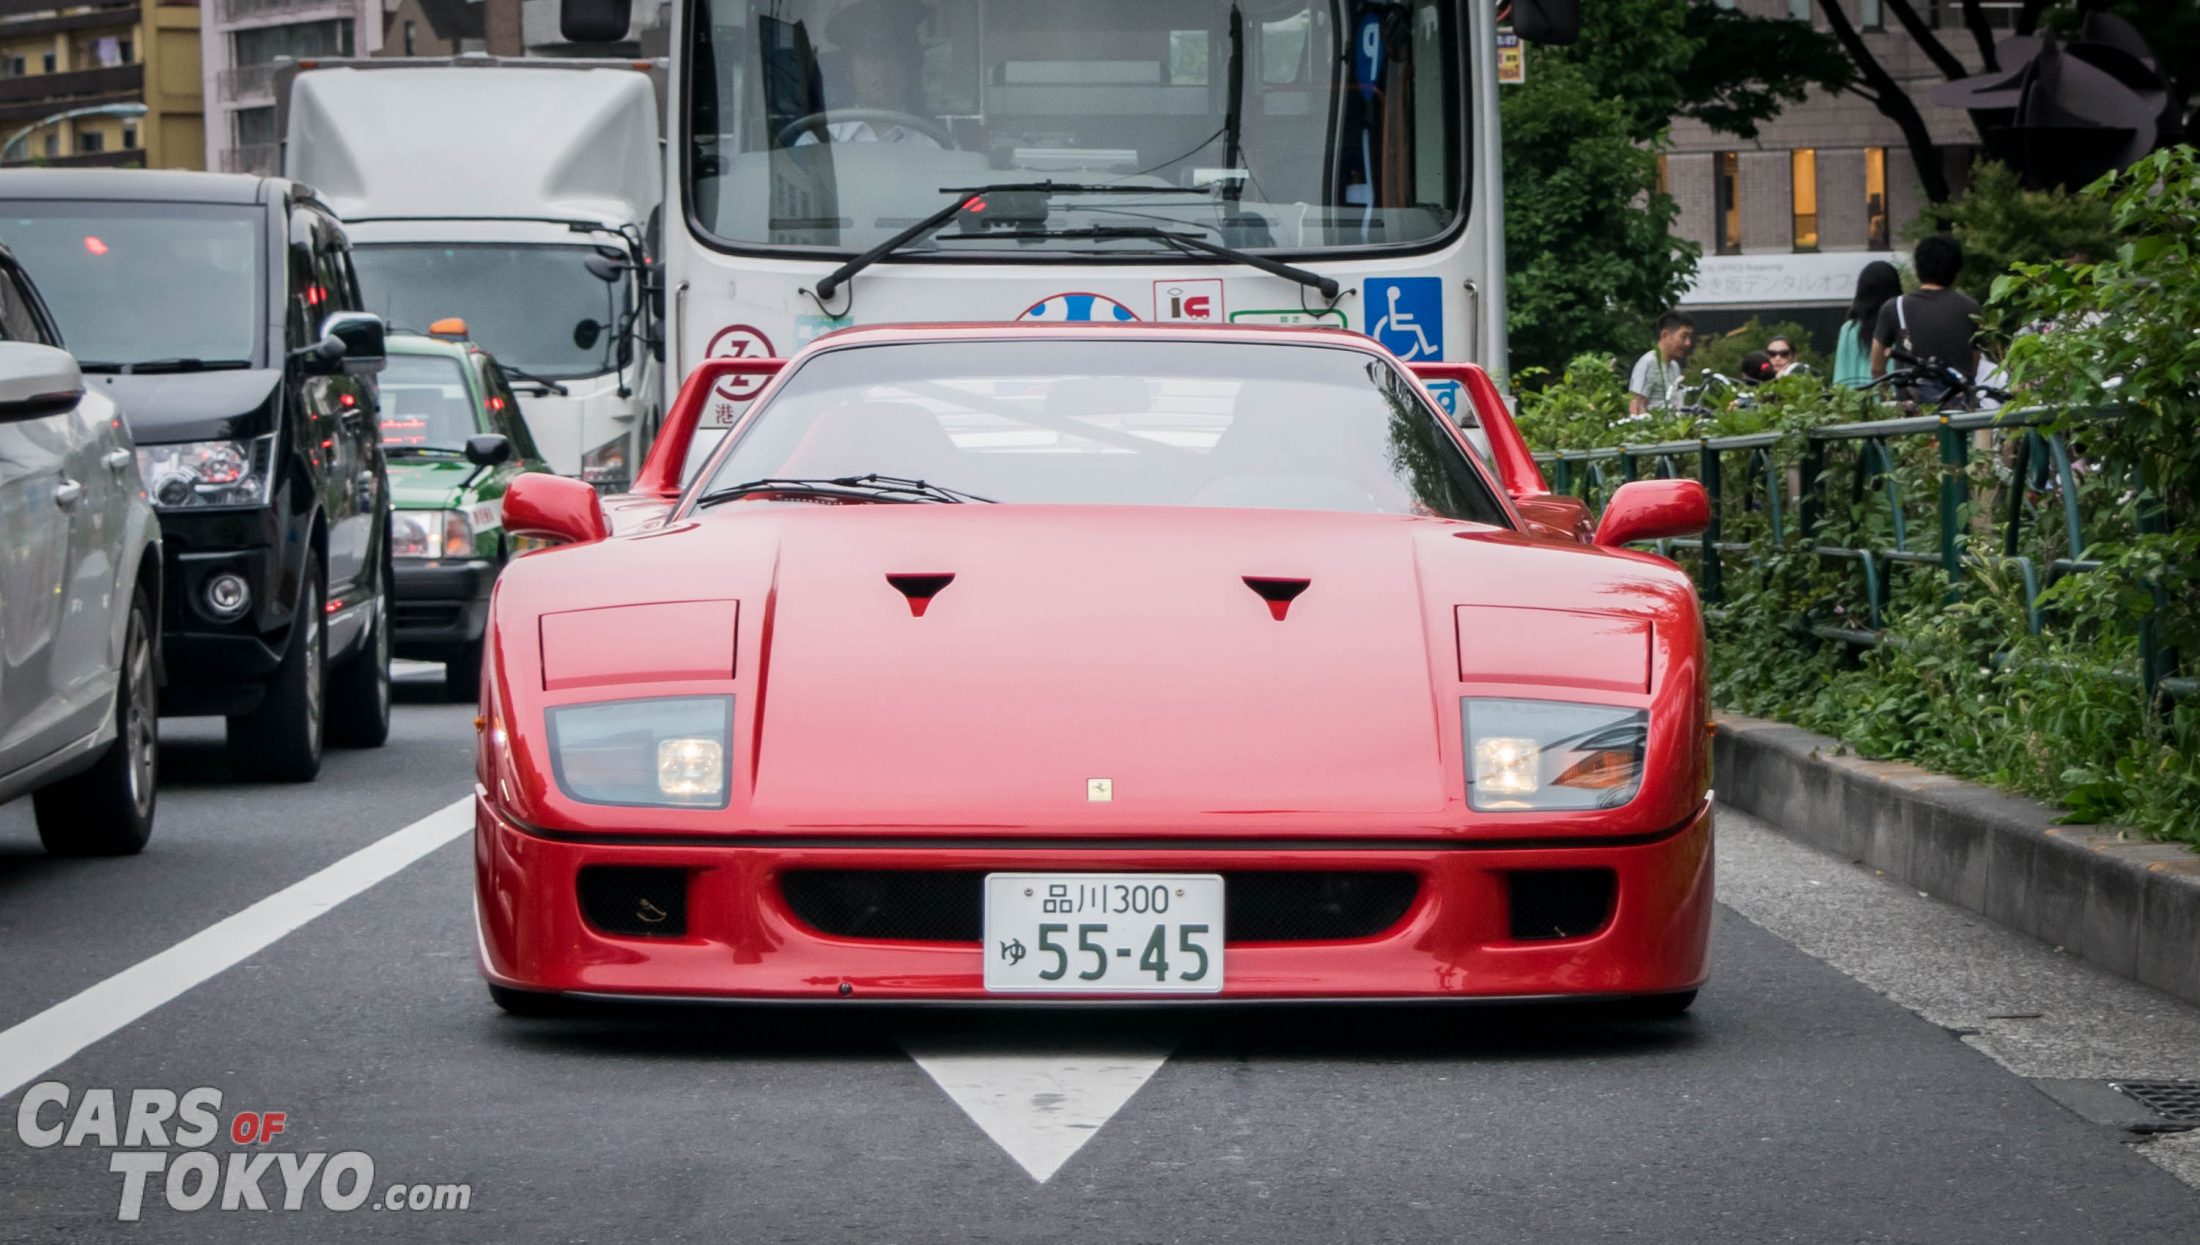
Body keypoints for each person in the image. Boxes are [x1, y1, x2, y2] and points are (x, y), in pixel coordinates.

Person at [795, 0, 942, 147]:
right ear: (848, 66)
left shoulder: (937, 146)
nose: (881, 67)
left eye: (893, 55)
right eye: (868, 55)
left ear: (909, 66)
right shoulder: (816, 144)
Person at [1872, 234, 1980, 403]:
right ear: (1956, 269)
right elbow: (1973, 367)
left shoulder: (1894, 307)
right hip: (1961, 412)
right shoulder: (1971, 309)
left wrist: (1888, 399)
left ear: (1917, 267)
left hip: (1914, 413)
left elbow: (1877, 367)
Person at [1834, 260, 1901, 388]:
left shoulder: (1849, 329)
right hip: (1893, 403)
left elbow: (1841, 376)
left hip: (1855, 403)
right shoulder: (1899, 328)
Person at [1628, 310, 1695, 415]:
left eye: (1689, 337)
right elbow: (1636, 406)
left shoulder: (1674, 366)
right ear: (1665, 335)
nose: (1688, 343)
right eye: (1683, 336)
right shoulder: (1648, 363)